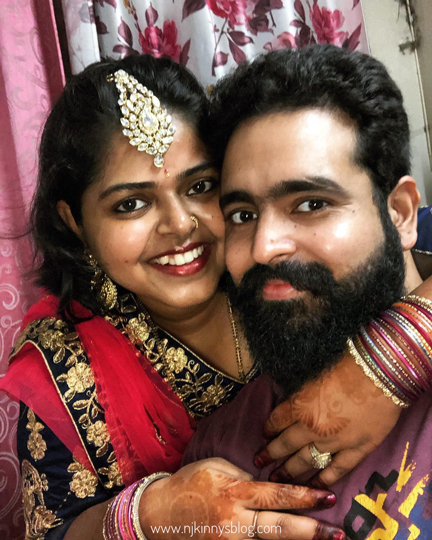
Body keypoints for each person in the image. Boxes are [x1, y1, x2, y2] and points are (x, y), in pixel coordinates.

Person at [0, 50, 431, 540]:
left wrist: (394, 357)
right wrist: (151, 517)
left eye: (201, 186)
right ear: (76, 222)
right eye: (131, 203)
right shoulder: (67, 369)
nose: (180, 225)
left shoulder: (279, 261)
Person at [182, 45, 432, 539]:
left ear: (401, 213)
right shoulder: (218, 460)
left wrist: (397, 355)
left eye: (311, 203)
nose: (263, 247)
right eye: (242, 215)